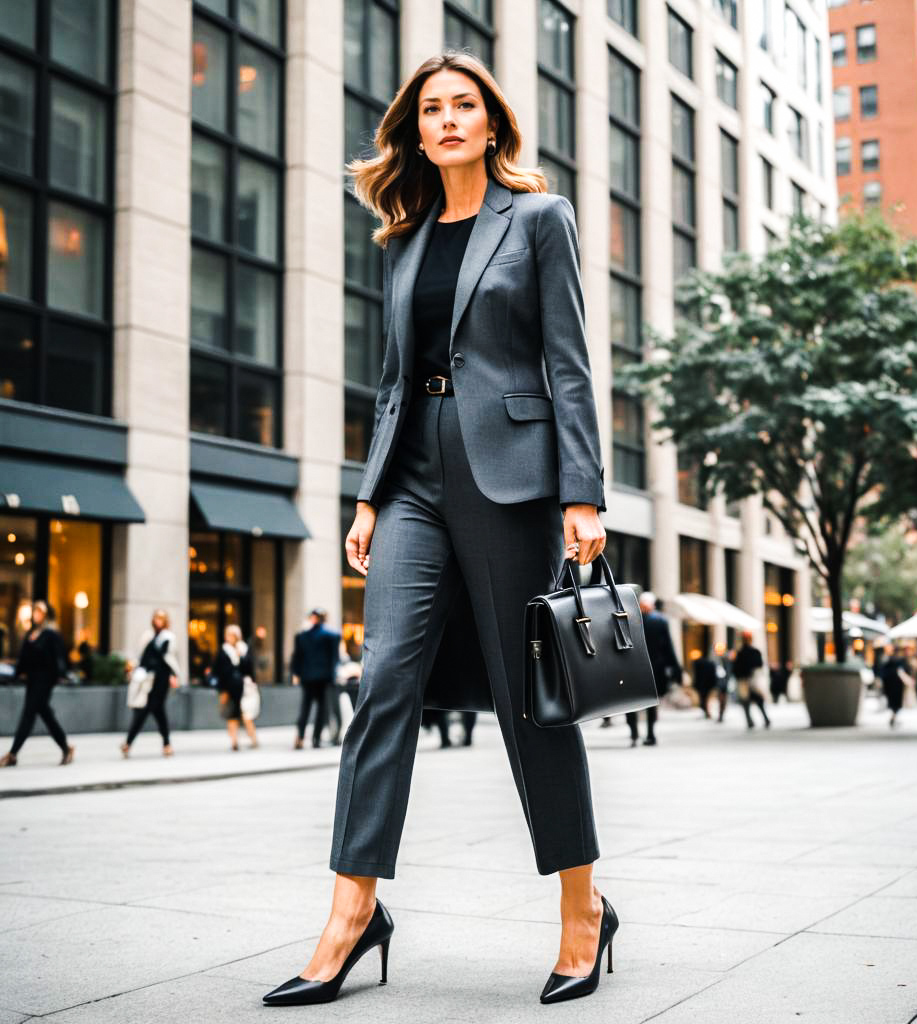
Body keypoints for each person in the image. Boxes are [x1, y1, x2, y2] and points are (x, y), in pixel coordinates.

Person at [263, 54, 616, 1009]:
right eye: (433, 109)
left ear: (492, 124)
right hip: (413, 477)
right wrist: (370, 494)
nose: (449, 120)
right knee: (381, 685)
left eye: (465, 106)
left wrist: (581, 489)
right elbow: (390, 380)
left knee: (529, 698)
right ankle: (350, 916)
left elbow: (570, 361)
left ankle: (583, 914)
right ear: (414, 131)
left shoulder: (540, 220)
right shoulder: (403, 239)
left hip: (511, 481)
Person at [1, 600, 74, 767]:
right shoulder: (30, 634)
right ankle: (66, 747)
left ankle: (13, 753)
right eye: (35, 611)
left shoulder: (51, 634)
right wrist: (16, 674)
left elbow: (59, 658)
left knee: (28, 715)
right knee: (46, 715)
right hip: (32, 680)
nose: (36, 615)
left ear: (46, 614)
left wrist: (61, 675)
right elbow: (23, 659)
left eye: (40, 612)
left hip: (45, 680)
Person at [120, 609, 181, 758]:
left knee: (146, 709)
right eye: (156, 618)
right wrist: (133, 668)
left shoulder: (169, 637)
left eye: (161, 619)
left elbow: (170, 659)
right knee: (157, 711)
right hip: (148, 678)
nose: (158, 621)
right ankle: (166, 744)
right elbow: (142, 657)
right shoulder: (148, 636)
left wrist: (173, 676)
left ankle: (128, 743)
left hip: (161, 679)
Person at [625, 592, 681, 746]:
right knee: (651, 702)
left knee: (631, 702)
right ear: (653, 604)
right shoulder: (661, 621)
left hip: (633, 668)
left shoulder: (630, 619)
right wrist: (676, 668)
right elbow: (668, 647)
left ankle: (634, 734)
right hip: (654, 668)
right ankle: (650, 733)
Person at [290, 608, 341, 750]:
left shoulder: (302, 636)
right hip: (324, 678)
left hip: (307, 677)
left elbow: (296, 658)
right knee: (321, 709)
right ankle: (316, 739)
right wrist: (333, 676)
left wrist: (296, 674)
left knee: (305, 708)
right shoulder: (332, 635)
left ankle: (300, 737)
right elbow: (334, 659)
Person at [212, 625, 259, 751]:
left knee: (246, 715)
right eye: (228, 635)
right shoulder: (223, 651)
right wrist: (222, 690)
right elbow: (217, 671)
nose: (229, 638)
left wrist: (241, 656)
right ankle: (234, 742)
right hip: (229, 688)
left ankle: (254, 739)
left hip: (244, 688)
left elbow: (249, 669)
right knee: (232, 715)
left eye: (232, 635)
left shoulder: (244, 649)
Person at [733, 631, 770, 729]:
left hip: (748, 680)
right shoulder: (752, 652)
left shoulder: (741, 652)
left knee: (748, 701)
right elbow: (759, 665)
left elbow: (736, 668)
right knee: (755, 700)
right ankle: (757, 719)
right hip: (749, 679)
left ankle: (752, 720)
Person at [879, 645, 913, 728]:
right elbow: (907, 670)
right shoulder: (900, 661)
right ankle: (893, 717)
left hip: (891, 686)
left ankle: (893, 717)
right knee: (896, 704)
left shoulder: (889, 661)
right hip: (897, 686)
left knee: (894, 704)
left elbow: (883, 673)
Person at [692, 645, 719, 719]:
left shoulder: (697, 663)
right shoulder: (711, 663)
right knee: (705, 698)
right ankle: (707, 712)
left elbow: (697, 675)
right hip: (707, 683)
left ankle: (707, 712)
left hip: (704, 684)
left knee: (704, 698)